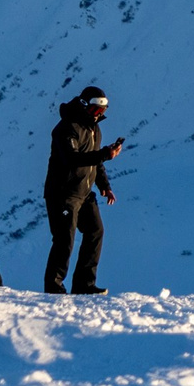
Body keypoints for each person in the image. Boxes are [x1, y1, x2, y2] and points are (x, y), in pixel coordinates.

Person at [44, 85, 125, 294]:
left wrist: (105, 187)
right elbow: (72, 159)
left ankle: (84, 284)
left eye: (103, 111)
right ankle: (54, 288)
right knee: (64, 239)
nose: (99, 115)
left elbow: (95, 162)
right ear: (84, 106)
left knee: (95, 232)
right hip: (63, 195)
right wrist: (104, 154)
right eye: (96, 110)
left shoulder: (94, 129)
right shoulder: (66, 128)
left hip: (84, 193)